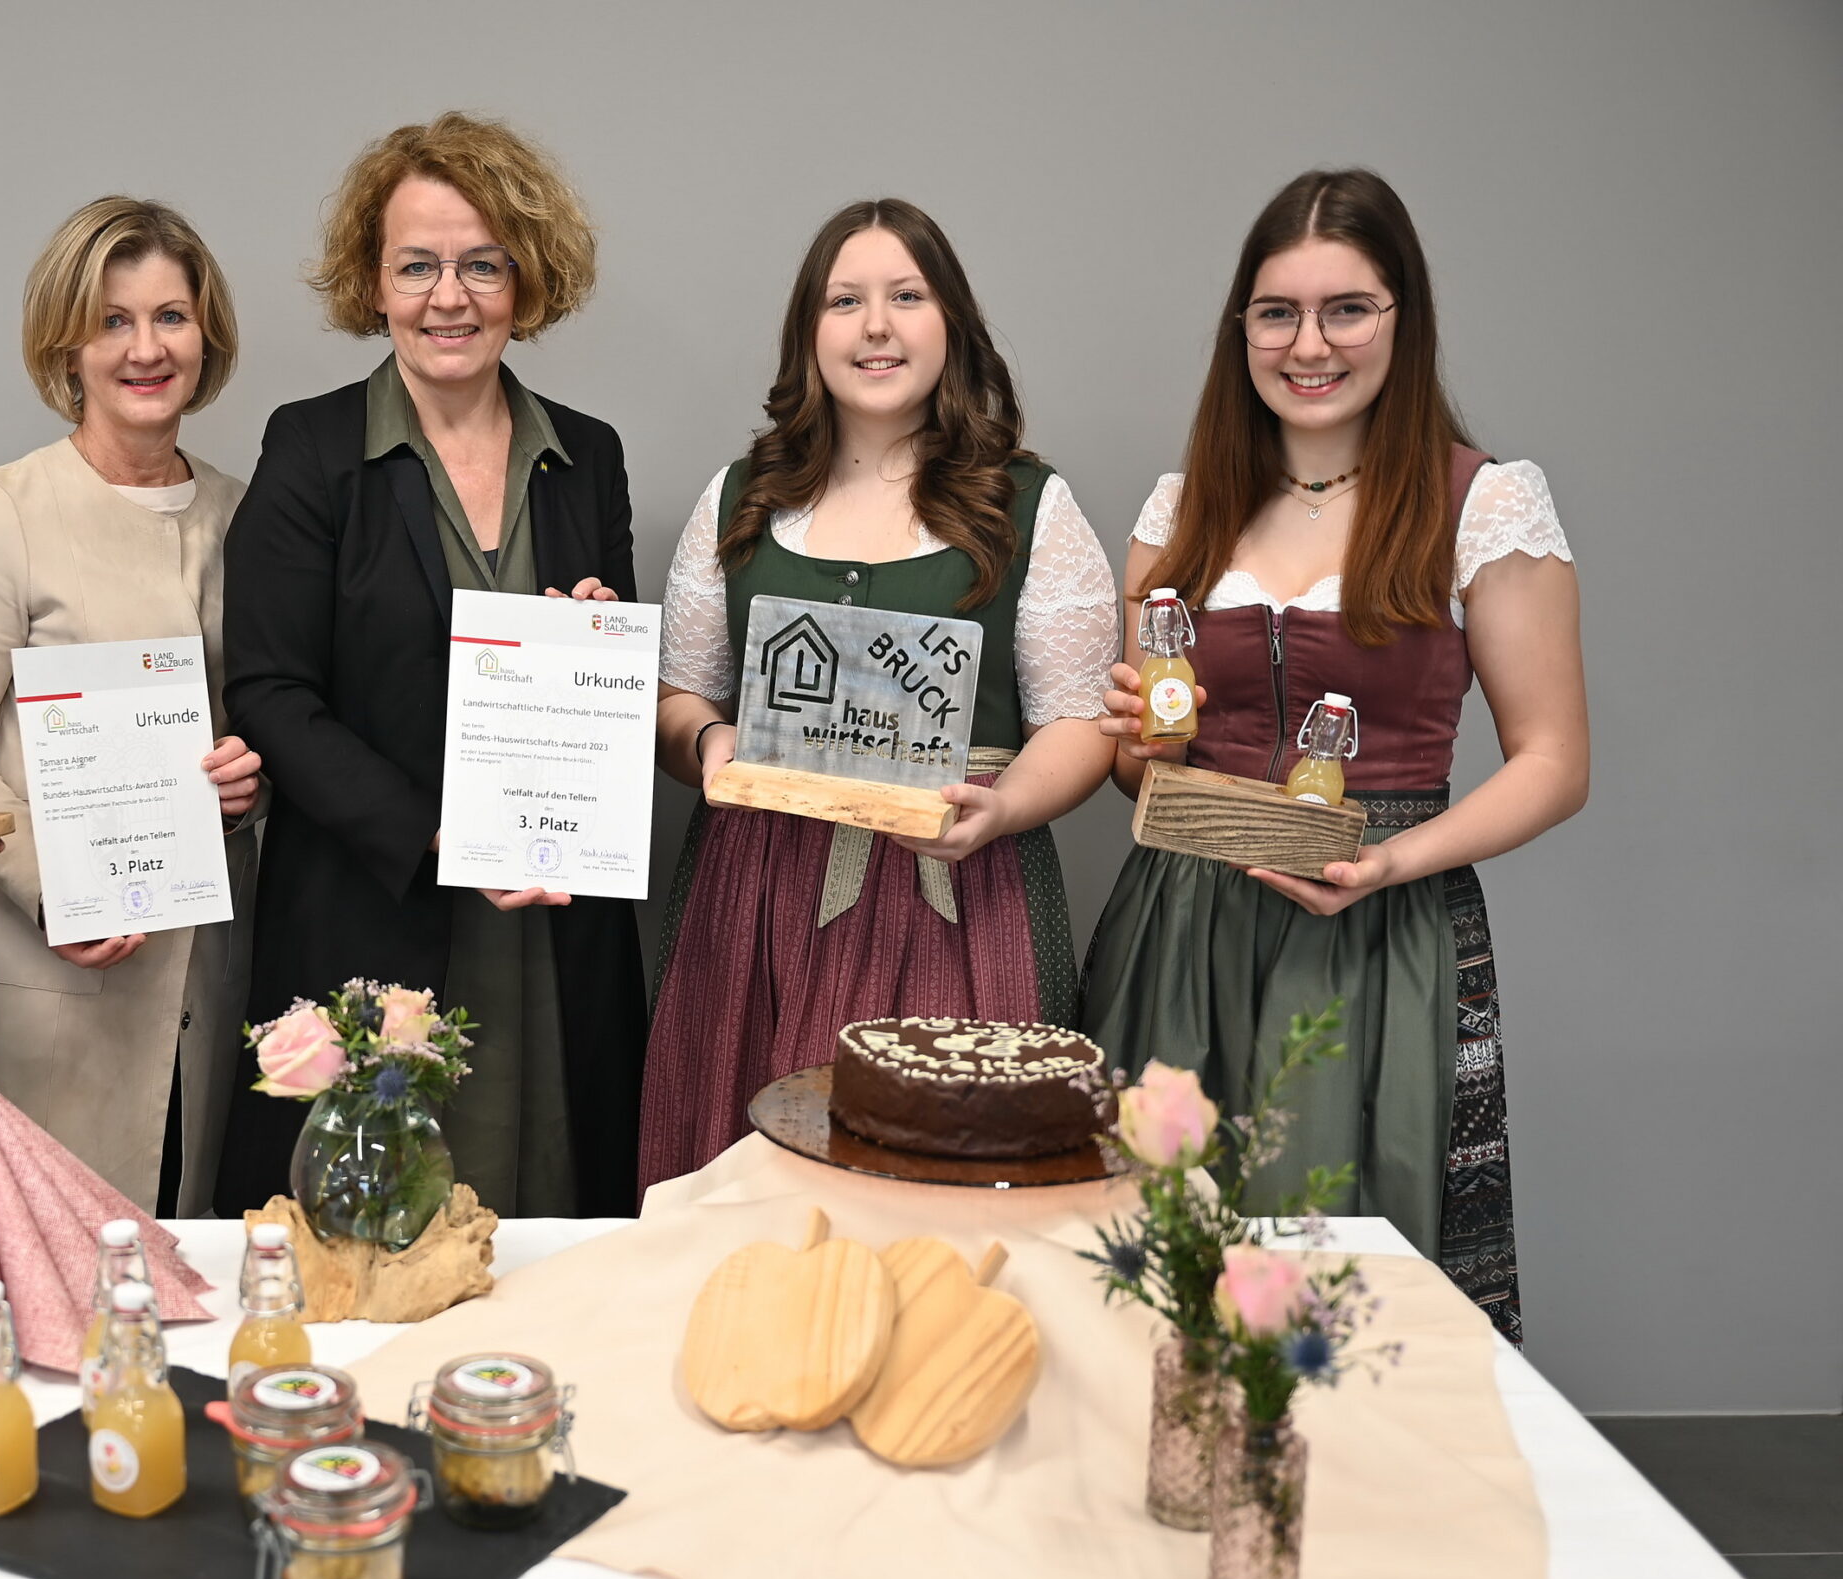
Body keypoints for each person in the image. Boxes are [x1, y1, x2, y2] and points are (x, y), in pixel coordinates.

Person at [1079, 168, 1588, 1344]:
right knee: (1155, 1269)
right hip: (1176, 930)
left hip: (1377, 931)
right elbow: (1142, 777)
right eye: (1276, 312)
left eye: (1346, 308)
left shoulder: (1484, 502)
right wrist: (1135, 737)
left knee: (1335, 1281)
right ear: (1241, 329)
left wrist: (1387, 864)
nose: (1309, 344)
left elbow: (1555, 759)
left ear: (1402, 319)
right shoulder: (1181, 508)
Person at [216, 113, 646, 1218]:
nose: (447, 296)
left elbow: (612, 682)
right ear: (374, 281)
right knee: (371, 1234)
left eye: (480, 265)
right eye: (417, 265)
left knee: (557, 1220)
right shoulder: (312, 448)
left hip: (554, 927)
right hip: (376, 908)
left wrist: (600, 631)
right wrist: (434, 835)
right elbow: (269, 688)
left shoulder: (585, 454)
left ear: (525, 278)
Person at [642, 200, 1119, 1188]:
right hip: (761, 892)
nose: (875, 326)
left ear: (952, 322)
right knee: (750, 1194)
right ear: (806, 333)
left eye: (906, 296)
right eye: (844, 300)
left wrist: (1005, 810)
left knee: (949, 1195)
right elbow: (678, 698)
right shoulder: (742, 499)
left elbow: (1078, 723)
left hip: (959, 886)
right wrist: (708, 744)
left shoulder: (1029, 503)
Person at [0, 198, 264, 1214]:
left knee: (197, 1290)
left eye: (171, 317)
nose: (146, 348)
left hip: (208, 985)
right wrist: (48, 882)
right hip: (53, 983)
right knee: (46, 1290)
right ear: (68, 342)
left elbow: (269, 724)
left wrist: (256, 775)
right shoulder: (7, 512)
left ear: (207, 335)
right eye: (113, 320)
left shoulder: (251, 514)